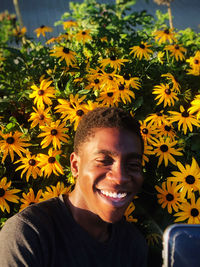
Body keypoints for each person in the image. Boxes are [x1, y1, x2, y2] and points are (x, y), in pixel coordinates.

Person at [0, 107, 148, 267]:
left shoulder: (133, 244)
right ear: (75, 166)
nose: (120, 178)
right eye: (104, 161)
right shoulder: (30, 233)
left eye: (133, 165)